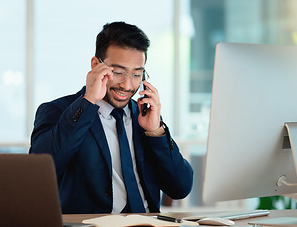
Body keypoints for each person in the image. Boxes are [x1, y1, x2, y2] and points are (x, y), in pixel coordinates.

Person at [30, 21, 193, 214]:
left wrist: (156, 132)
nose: (127, 85)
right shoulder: (58, 111)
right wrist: (88, 101)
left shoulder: (145, 116)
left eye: (136, 74)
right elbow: (39, 171)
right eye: (118, 72)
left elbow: (180, 187)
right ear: (96, 65)